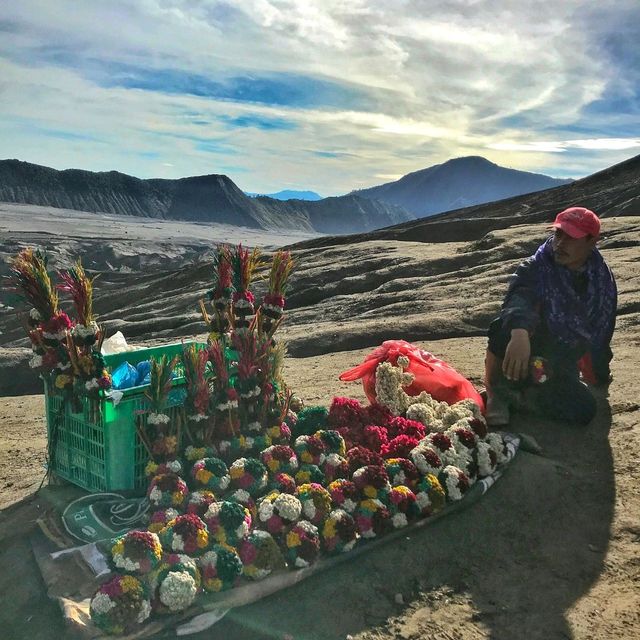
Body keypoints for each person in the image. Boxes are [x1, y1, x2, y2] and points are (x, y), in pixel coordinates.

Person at [484, 206, 617, 427]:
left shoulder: (601, 283)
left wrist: (599, 373)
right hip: (526, 347)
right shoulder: (538, 266)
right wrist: (520, 334)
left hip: (559, 360)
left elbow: (600, 335)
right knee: (503, 327)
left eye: (571, 237)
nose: (560, 243)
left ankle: (521, 399)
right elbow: (519, 295)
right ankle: (496, 393)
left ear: (592, 241)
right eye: (558, 234)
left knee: (584, 409)